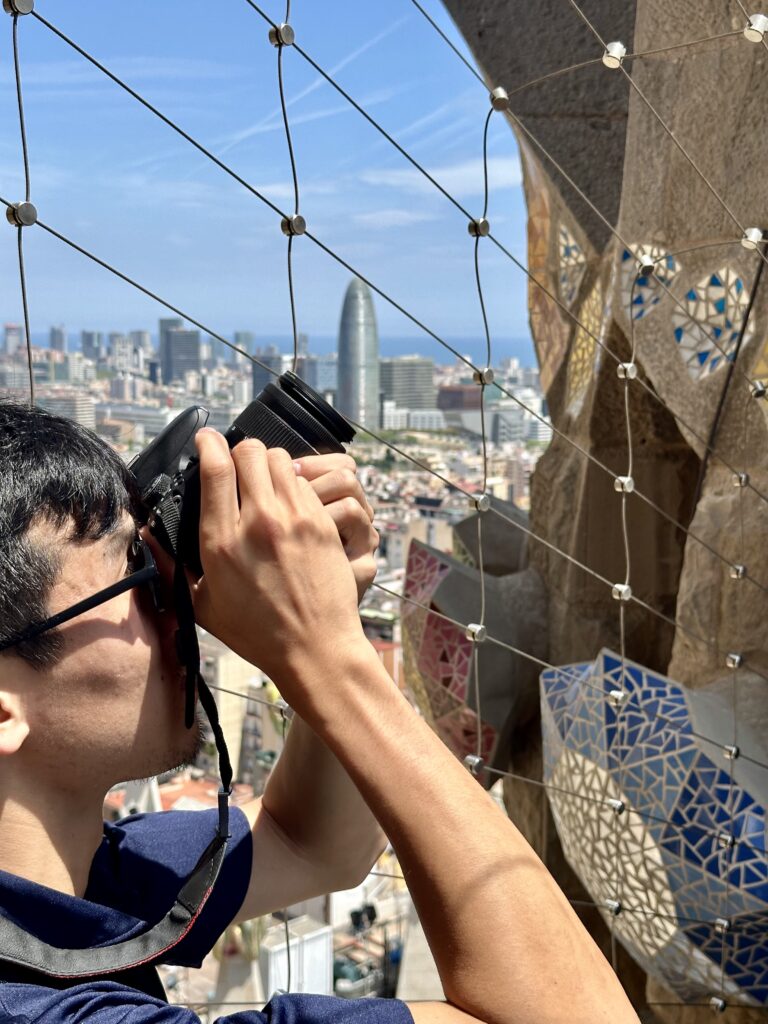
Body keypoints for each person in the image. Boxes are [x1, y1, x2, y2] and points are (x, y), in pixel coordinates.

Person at [0, 401, 639, 1024]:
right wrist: (325, 654)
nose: (177, 601)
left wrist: (327, 603)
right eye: (136, 575)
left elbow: (309, 840)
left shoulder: (75, 877)